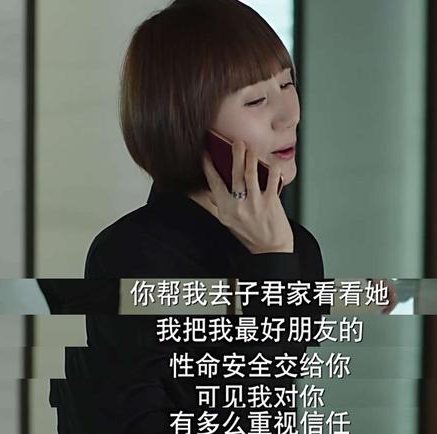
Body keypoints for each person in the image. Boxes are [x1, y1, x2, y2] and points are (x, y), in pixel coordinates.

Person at [45, 1, 397, 432]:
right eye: (256, 100)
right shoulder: (130, 255)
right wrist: (272, 265)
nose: (289, 115)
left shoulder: (295, 247)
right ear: (185, 121)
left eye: (287, 84)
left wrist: (284, 265)